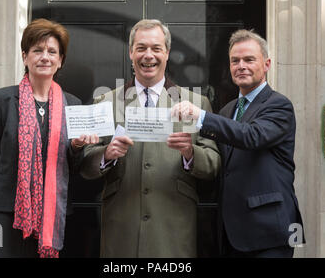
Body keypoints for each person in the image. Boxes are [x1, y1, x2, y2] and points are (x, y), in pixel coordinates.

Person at [79, 19, 221, 257]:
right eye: (141, 47)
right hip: (122, 229)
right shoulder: (105, 102)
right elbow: (84, 163)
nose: (148, 55)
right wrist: (106, 155)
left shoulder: (197, 103)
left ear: (167, 53)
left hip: (173, 229)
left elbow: (214, 163)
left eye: (156, 48)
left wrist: (190, 153)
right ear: (130, 52)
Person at [0, 18, 98, 258]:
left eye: (52, 52)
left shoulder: (72, 105)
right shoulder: (3, 100)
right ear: (25, 56)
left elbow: (74, 168)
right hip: (4, 212)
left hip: (51, 214)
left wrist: (77, 147)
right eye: (37, 50)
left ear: (60, 61)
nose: (45, 57)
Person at [172, 29, 304, 258]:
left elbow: (251, 136)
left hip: (269, 230)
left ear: (266, 64)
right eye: (235, 61)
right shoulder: (226, 110)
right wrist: (190, 152)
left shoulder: (279, 105)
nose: (241, 65)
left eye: (249, 59)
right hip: (231, 232)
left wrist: (200, 116)